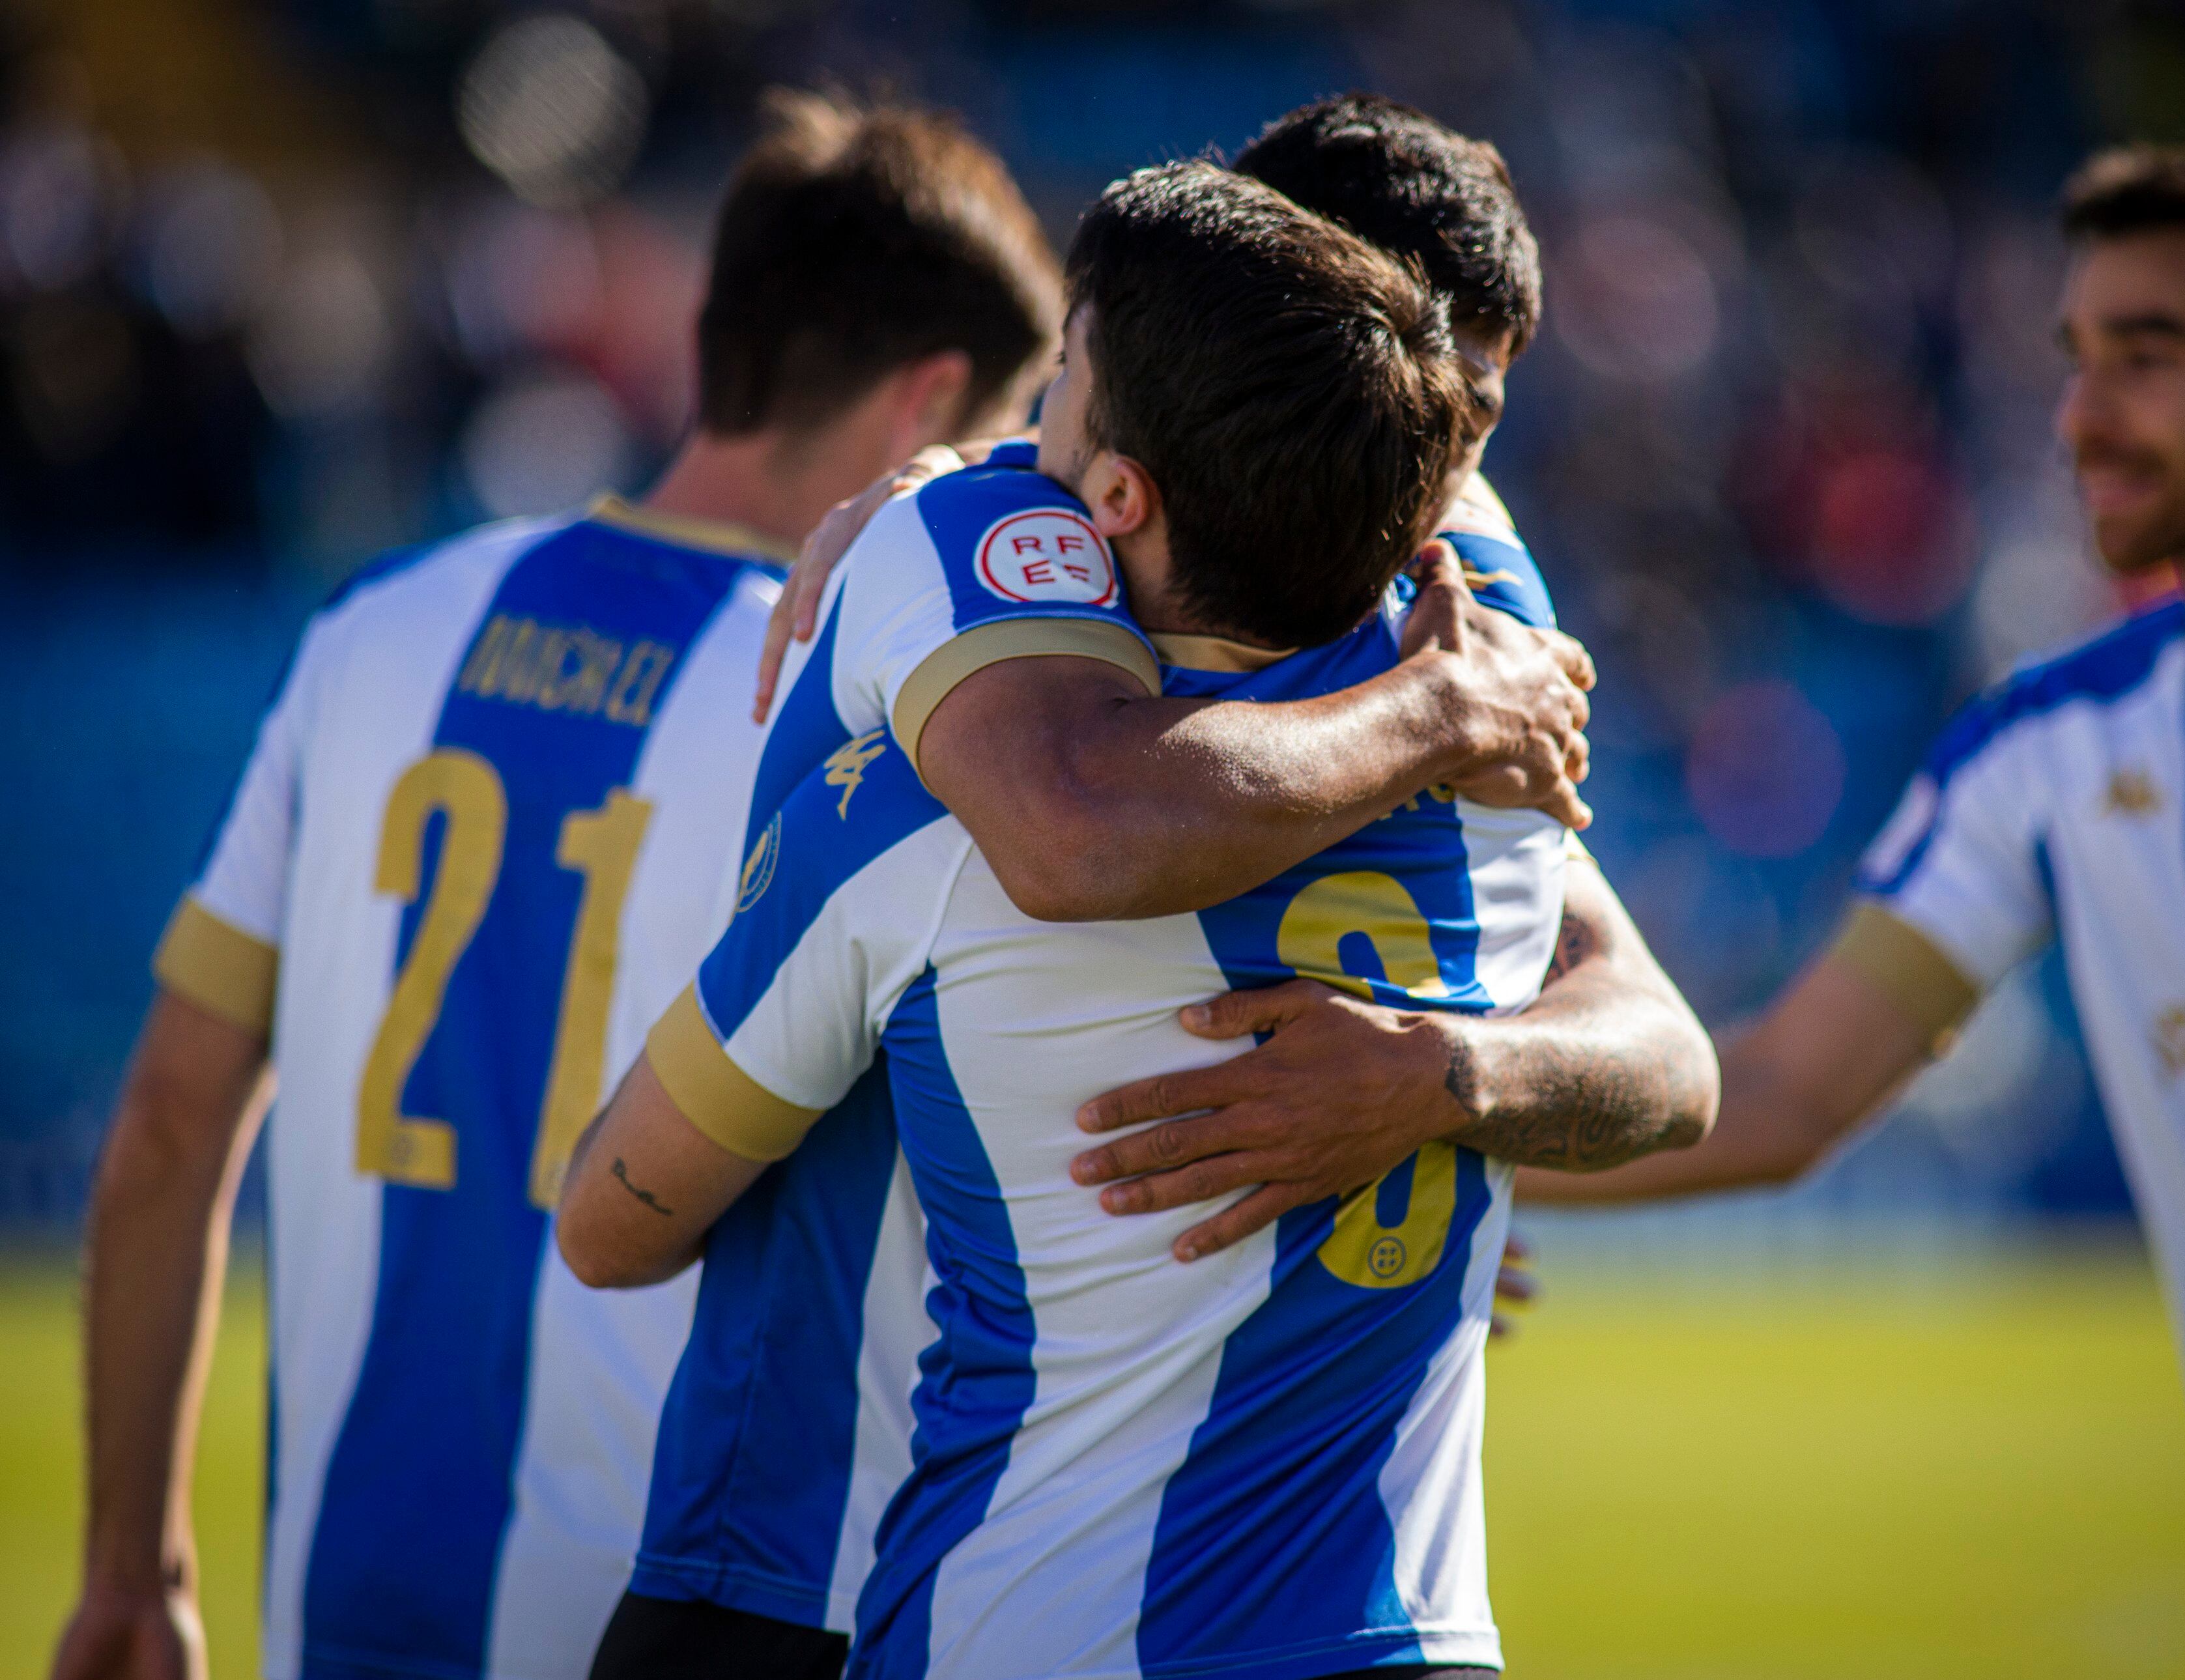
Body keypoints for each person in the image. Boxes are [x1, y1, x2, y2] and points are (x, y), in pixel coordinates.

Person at [50, 93, 1592, 1680]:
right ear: (942, 396)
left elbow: (180, 1126)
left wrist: (130, 1566)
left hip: (447, 1570)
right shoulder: (1081, 707)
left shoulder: (380, 632)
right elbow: (1654, 1045)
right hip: (895, 1564)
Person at [1104, 136, 2185, 1680]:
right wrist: (1430, 1146)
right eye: (2073, 358)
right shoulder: (2045, 748)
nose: (2080, 415)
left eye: (2149, 357)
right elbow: (1780, 1096)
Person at [558, 159, 1708, 1680]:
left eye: (1478, 412)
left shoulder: (927, 809)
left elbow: (608, 1221)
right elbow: (1086, 824)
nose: (1452, 459)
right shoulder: (1482, 704)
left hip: (937, 1584)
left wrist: (1445, 1081)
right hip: (1352, 1626)